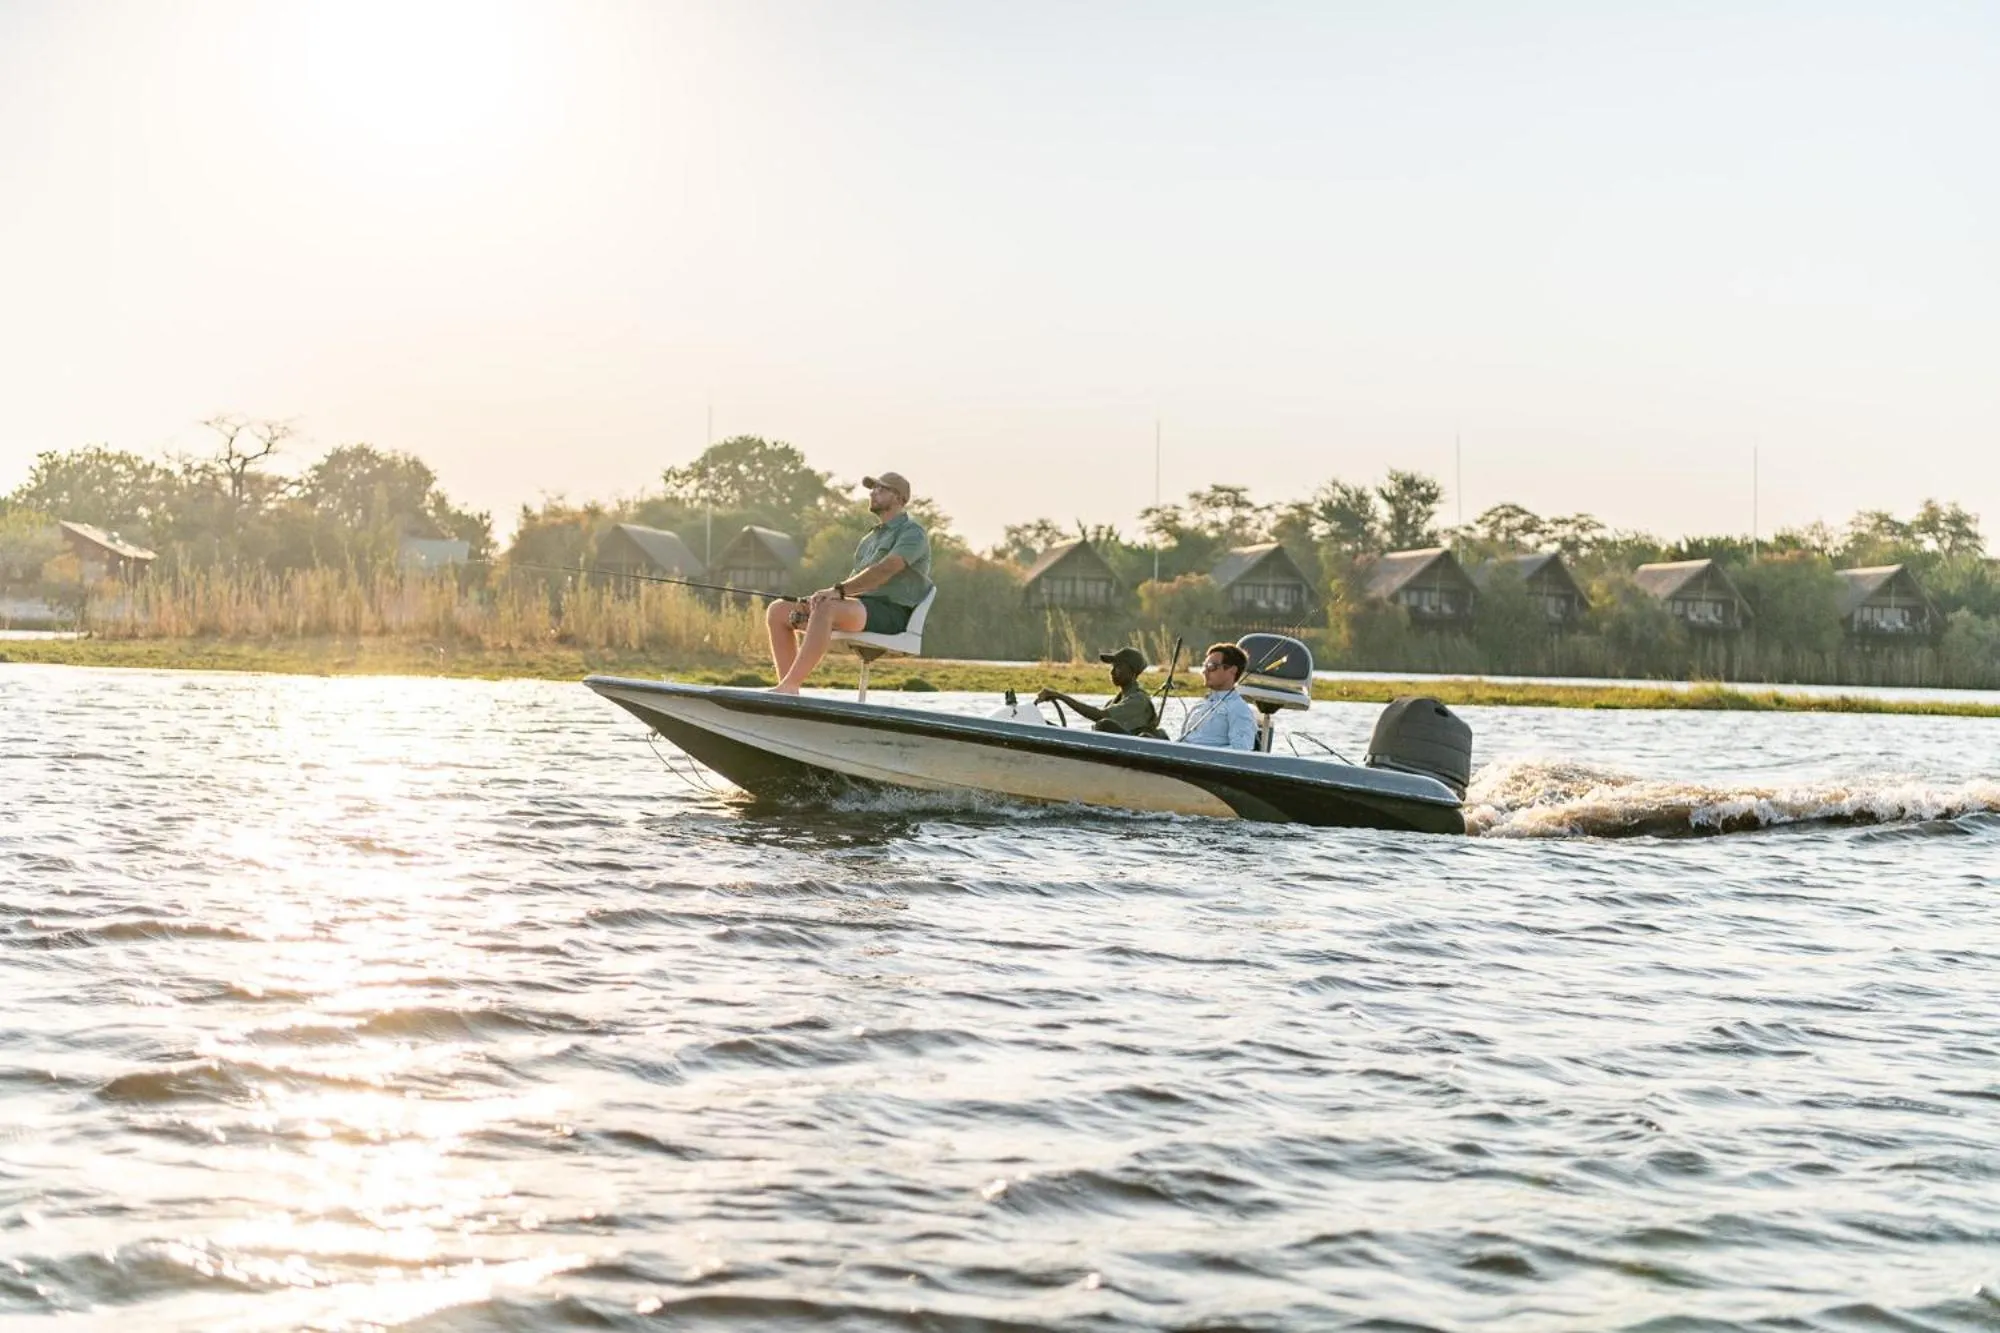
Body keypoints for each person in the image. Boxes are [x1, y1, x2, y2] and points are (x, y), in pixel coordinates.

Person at [765, 471, 933, 694]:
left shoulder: (913, 532)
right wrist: (822, 597)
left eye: (881, 489)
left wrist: (837, 592)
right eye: (872, 488)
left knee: (827, 608)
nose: (873, 493)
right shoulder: (869, 539)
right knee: (779, 610)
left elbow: (887, 569)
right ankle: (787, 691)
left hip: (891, 613)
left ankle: (790, 686)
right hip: (859, 608)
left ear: (899, 497)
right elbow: (856, 583)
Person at [1036, 646, 1159, 735]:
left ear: (1132, 673)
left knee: (1104, 724)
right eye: (1112, 666)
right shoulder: (1115, 701)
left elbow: (1099, 716)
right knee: (1044, 725)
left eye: (1119, 667)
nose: (1112, 672)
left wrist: (1060, 696)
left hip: (1132, 753)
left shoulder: (1138, 700)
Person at [1178, 642, 1257, 750]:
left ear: (1232, 670)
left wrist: (1203, 755)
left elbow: (1241, 749)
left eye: (1211, 666)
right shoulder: (1200, 704)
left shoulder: (1238, 708)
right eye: (1204, 666)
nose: (1204, 671)